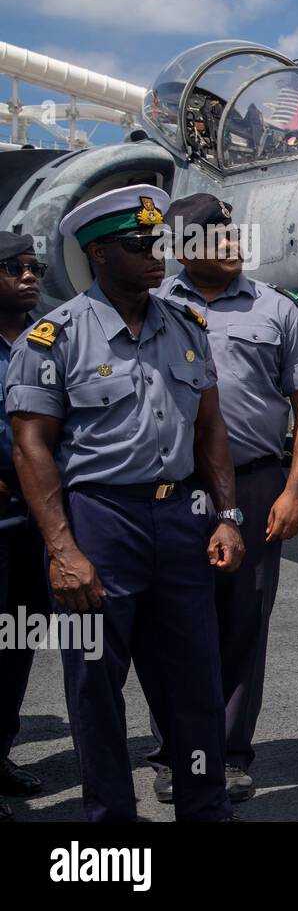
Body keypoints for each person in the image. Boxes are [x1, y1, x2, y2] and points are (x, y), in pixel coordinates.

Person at [4, 185, 245, 822]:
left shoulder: (186, 326)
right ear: (100, 255)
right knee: (95, 686)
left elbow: (210, 427)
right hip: (98, 521)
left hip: (181, 517)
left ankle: (205, 806)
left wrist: (227, 515)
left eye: (157, 243)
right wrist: (61, 551)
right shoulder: (53, 338)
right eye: (139, 246)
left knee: (196, 678)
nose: (156, 256)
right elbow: (32, 450)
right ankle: (110, 826)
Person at [147, 194, 298, 804]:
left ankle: (228, 753)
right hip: (169, 486)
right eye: (212, 235)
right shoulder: (152, 309)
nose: (229, 241)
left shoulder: (280, 312)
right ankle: (177, 751)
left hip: (252, 482)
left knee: (243, 620)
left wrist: (295, 489)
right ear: (181, 249)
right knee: (170, 622)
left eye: (231, 232)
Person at [0, 232, 48, 821]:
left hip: (33, 520)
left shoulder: (47, 342)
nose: (29, 275)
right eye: (14, 267)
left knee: (17, 641)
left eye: (34, 267)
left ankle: (1, 750)